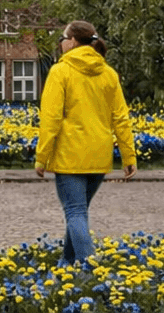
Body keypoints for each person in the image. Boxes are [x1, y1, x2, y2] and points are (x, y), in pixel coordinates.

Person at [34, 20, 137, 264]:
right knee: (78, 213)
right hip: (99, 156)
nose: (60, 43)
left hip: (70, 156)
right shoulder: (109, 74)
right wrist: (128, 156)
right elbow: (120, 117)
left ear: (72, 41)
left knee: (75, 212)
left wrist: (41, 157)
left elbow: (51, 119)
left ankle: (92, 269)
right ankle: (65, 265)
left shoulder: (60, 71)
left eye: (62, 38)